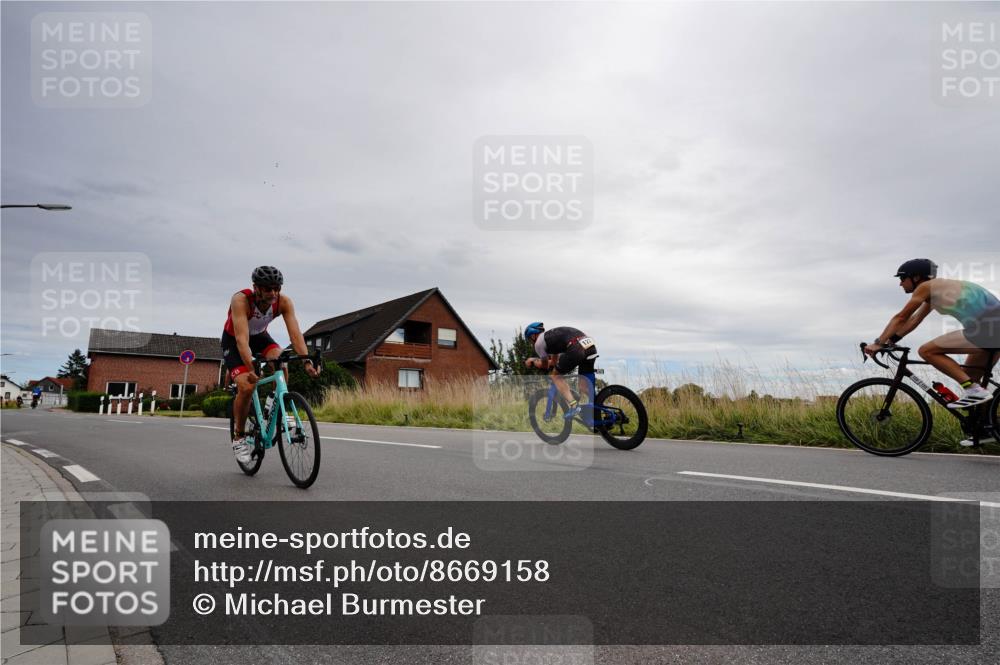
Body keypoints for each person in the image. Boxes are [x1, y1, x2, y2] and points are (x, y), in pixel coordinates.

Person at [865, 258, 1000, 446]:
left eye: (902, 278)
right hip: (992, 328)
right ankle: (986, 429)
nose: (900, 283)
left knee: (927, 351)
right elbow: (913, 320)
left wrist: (878, 343)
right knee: (970, 376)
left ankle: (973, 391)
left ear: (916, 277)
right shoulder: (936, 291)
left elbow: (901, 316)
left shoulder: (926, 286)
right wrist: (891, 341)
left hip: (988, 329)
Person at [222, 266, 320, 463]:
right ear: (256, 288)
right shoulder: (240, 300)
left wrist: (307, 361)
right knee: (247, 385)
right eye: (268, 289)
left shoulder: (283, 302)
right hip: (235, 340)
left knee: (281, 363)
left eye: (277, 288)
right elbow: (242, 340)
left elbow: (295, 333)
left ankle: (271, 408)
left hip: (260, 337)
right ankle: (239, 437)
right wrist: (250, 369)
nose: (273, 293)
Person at [523, 323, 598, 420]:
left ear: (533, 335)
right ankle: (600, 409)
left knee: (555, 376)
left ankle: (574, 406)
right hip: (590, 347)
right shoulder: (552, 339)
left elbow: (545, 366)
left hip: (576, 347)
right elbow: (554, 362)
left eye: (529, 340)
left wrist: (533, 361)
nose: (530, 343)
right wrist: (539, 362)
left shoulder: (538, 344)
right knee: (584, 387)